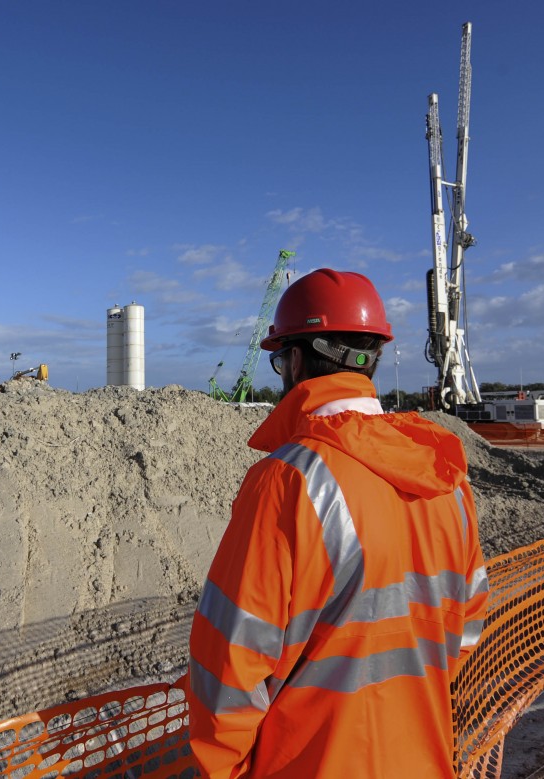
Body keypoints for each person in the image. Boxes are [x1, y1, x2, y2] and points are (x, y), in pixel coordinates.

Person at [186, 269, 488, 778]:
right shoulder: (448, 482)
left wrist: (221, 772)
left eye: (280, 358)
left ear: (296, 359)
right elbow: (465, 631)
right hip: (424, 759)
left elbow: (231, 665)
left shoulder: (287, 481)